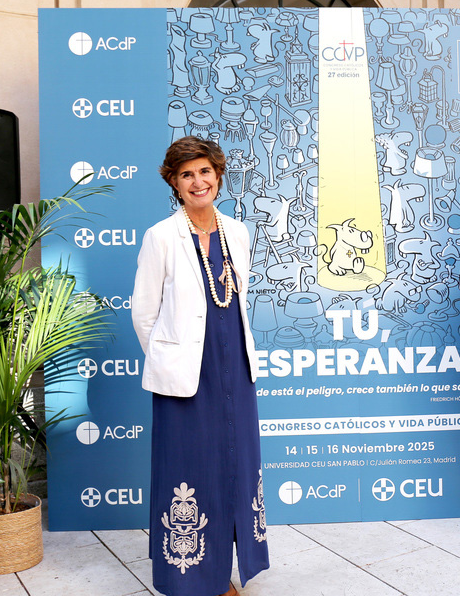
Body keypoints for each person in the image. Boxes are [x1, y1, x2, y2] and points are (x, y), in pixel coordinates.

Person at [132, 136, 268, 596]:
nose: (197, 181)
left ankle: (226, 570)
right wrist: (170, 360)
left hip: (236, 370)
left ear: (218, 175)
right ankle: (188, 575)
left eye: (204, 171)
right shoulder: (161, 236)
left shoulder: (238, 232)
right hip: (186, 376)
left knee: (235, 469)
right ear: (173, 182)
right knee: (189, 472)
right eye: (186, 174)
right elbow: (144, 314)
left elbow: (236, 300)